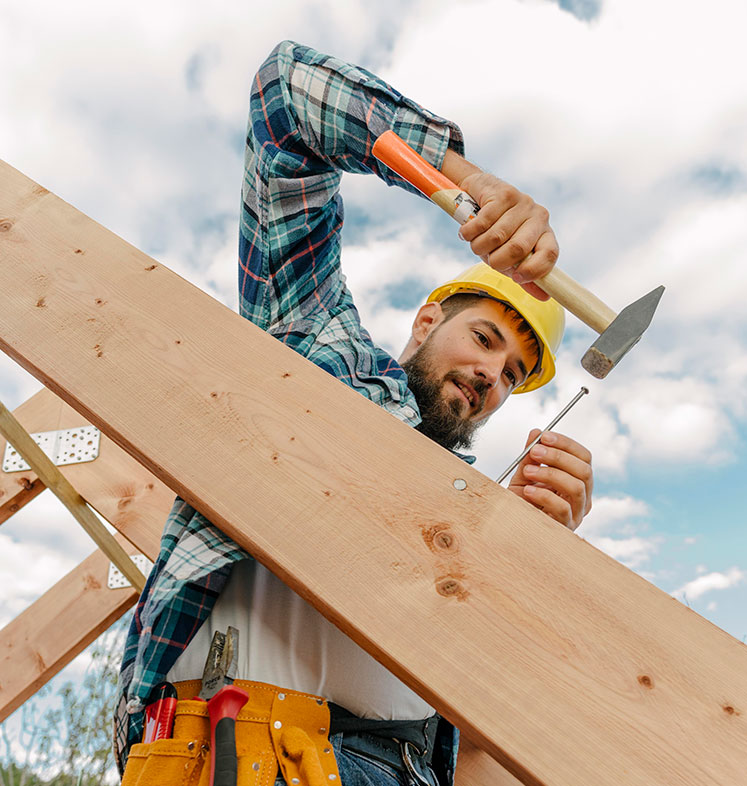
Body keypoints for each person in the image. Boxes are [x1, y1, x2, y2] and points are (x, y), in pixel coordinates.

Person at [114, 40, 593, 786]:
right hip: (249, 749)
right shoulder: (316, 352)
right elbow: (286, 97)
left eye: (513, 375)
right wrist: (464, 182)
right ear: (430, 320)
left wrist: (535, 562)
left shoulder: (481, 517)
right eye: (485, 338)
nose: (490, 377)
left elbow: (482, 741)